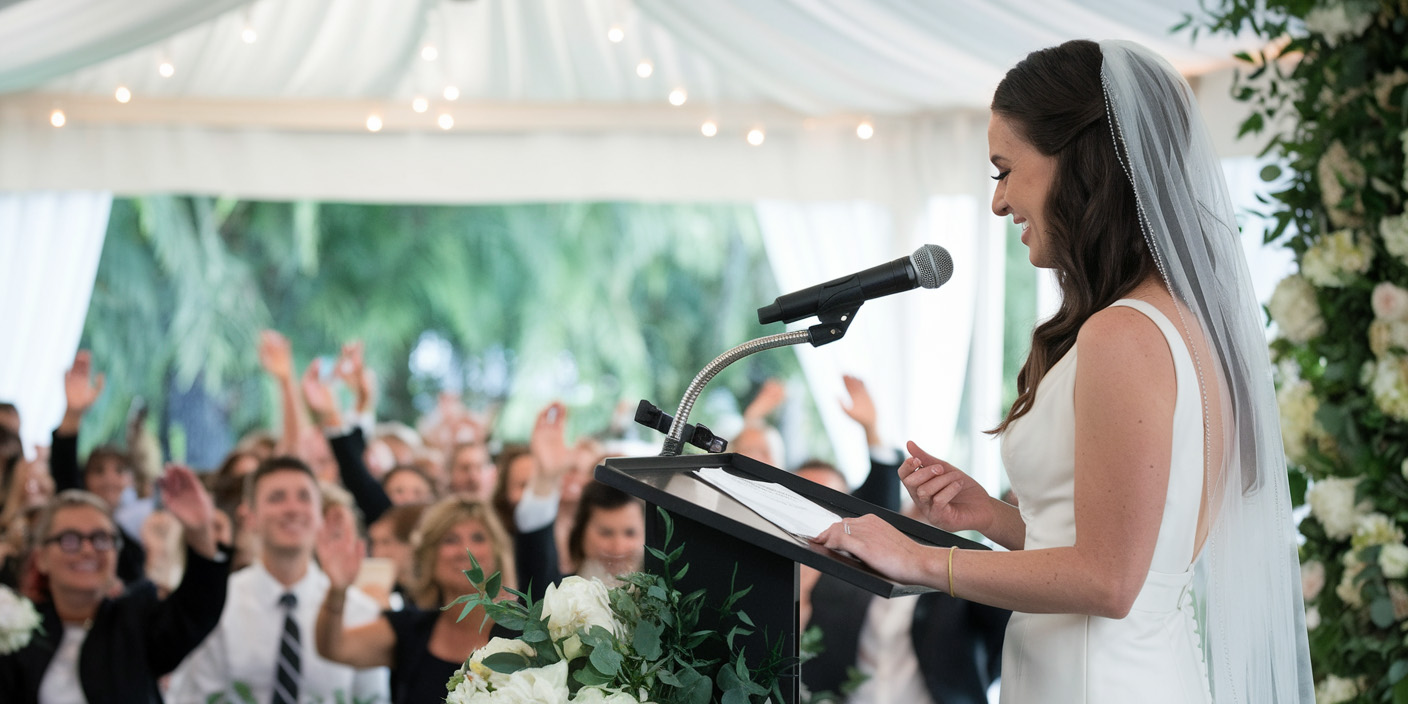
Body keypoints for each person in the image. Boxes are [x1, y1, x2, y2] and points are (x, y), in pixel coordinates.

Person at [812, 39, 1312, 702]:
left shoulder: (1124, 334)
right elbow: (1127, 549)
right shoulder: (1174, 323)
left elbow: (1108, 580)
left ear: (1076, 163)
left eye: (1004, 169)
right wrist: (992, 517)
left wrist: (919, 560)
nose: (998, 202)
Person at [166, 457, 390, 703]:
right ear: (248, 516)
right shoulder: (217, 605)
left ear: (320, 515)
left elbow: (373, 698)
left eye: (304, 497)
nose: (292, 509)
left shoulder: (359, 612)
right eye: (277, 498)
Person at [0, 467, 227, 704]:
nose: (87, 550)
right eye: (70, 539)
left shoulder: (135, 619)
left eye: (100, 539)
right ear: (42, 558)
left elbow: (198, 610)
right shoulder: (16, 627)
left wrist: (200, 532)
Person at [314, 494, 517, 704]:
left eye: (478, 538)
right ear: (429, 555)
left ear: (498, 552)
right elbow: (334, 648)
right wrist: (337, 590)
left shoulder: (525, 636)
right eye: (451, 540)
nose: (465, 550)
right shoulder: (410, 630)